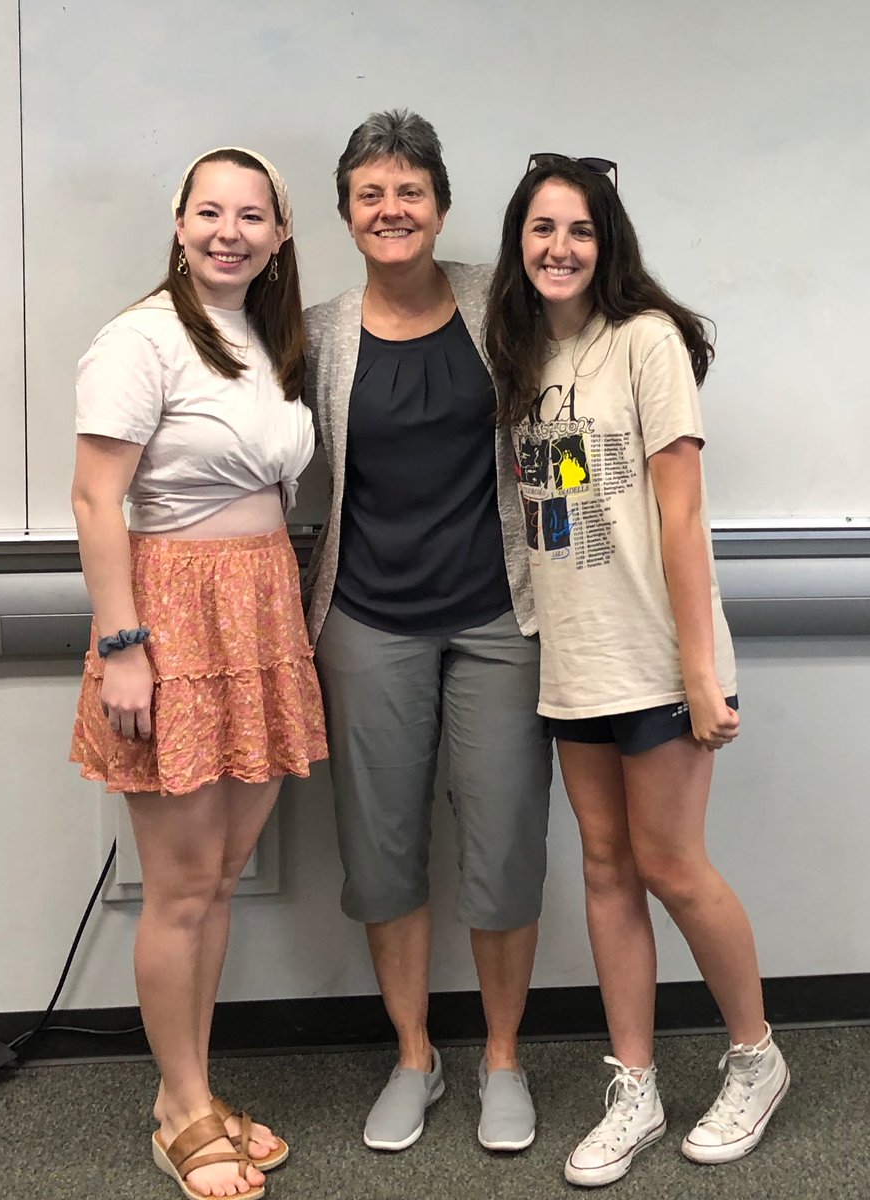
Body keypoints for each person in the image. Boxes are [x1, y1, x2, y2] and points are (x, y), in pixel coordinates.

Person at [485, 153, 790, 1187]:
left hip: (660, 657)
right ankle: (637, 1085)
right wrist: (541, 629)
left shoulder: (646, 341)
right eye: (541, 229)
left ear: (607, 244)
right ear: (518, 245)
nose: (559, 248)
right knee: (606, 870)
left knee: (672, 866)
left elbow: (679, 509)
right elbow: (542, 520)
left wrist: (700, 671)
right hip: (576, 658)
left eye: (579, 230)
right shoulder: (521, 357)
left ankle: (757, 1058)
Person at [69, 146, 326, 1200]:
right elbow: (95, 501)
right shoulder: (138, 339)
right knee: (179, 888)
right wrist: (124, 646)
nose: (230, 230)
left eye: (251, 215)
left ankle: (198, 1087)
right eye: (209, 211)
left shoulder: (265, 340)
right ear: (178, 223)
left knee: (220, 879)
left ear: (278, 235)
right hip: (170, 618)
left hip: (261, 608)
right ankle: (178, 1110)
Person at [304, 110, 553, 1155]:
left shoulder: (504, 303)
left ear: (441, 206)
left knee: (503, 845)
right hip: (366, 621)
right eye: (371, 193)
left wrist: (576, 525)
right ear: (347, 214)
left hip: (501, 616)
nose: (392, 209)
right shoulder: (317, 332)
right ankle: (416, 1054)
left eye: (410, 192)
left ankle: (501, 1055)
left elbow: (567, 429)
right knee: (382, 849)